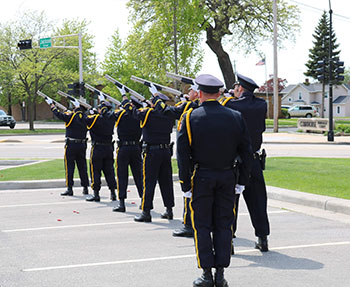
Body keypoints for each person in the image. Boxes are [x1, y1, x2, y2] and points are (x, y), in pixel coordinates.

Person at [177, 74, 252, 287]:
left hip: (202, 177)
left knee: (201, 225)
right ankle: (220, 274)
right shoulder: (235, 116)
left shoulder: (190, 118)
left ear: (199, 93)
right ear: (219, 93)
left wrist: (185, 184)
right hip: (228, 176)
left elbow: (182, 155)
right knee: (223, 224)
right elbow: (246, 152)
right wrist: (242, 181)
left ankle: (207, 274)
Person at [222, 73, 270, 252]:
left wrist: (226, 97)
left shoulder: (230, 104)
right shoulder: (261, 105)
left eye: (235, 89)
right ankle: (262, 237)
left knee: (230, 202)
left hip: (235, 161)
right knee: (258, 201)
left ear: (239, 89)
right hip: (254, 160)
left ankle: (229, 240)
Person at [153, 84, 200, 237]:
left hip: (190, 159)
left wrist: (156, 97)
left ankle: (188, 225)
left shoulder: (189, 107)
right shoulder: (193, 106)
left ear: (198, 93)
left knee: (189, 191)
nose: (188, 92)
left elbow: (166, 111)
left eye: (191, 90)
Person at [132, 84, 175, 223]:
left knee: (149, 182)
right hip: (165, 151)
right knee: (166, 181)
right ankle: (169, 209)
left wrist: (144, 104)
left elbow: (135, 113)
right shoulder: (169, 115)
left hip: (152, 152)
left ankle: (146, 211)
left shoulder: (148, 113)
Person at [47, 98, 89, 196]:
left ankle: (70, 188)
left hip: (71, 145)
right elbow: (78, 116)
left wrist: (52, 106)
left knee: (70, 167)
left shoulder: (71, 117)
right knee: (82, 167)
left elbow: (59, 114)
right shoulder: (86, 118)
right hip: (82, 144)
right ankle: (85, 187)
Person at [112, 87, 143, 212]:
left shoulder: (121, 114)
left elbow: (106, 115)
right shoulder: (140, 115)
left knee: (122, 175)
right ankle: (144, 200)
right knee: (139, 176)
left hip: (124, 148)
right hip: (136, 147)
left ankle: (121, 203)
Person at [85, 100, 117, 202]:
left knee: (95, 171)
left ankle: (96, 194)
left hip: (98, 148)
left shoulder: (95, 118)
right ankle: (113, 193)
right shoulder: (111, 119)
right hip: (108, 148)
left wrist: (90, 112)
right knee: (109, 171)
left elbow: (84, 120)